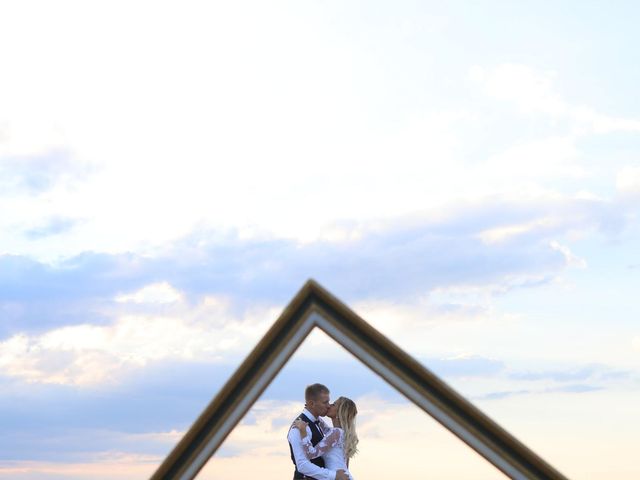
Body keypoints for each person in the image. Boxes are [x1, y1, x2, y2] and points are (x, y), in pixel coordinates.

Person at [287, 383, 350, 480]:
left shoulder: (319, 424)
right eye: (325, 403)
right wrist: (334, 476)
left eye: (329, 403)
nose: (328, 406)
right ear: (312, 404)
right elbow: (303, 465)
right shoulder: (299, 427)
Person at [294, 396, 358, 480]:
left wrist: (303, 433)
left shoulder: (336, 433)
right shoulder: (341, 433)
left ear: (339, 412)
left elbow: (311, 454)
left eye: (334, 404)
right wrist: (314, 410)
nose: (329, 406)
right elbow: (321, 425)